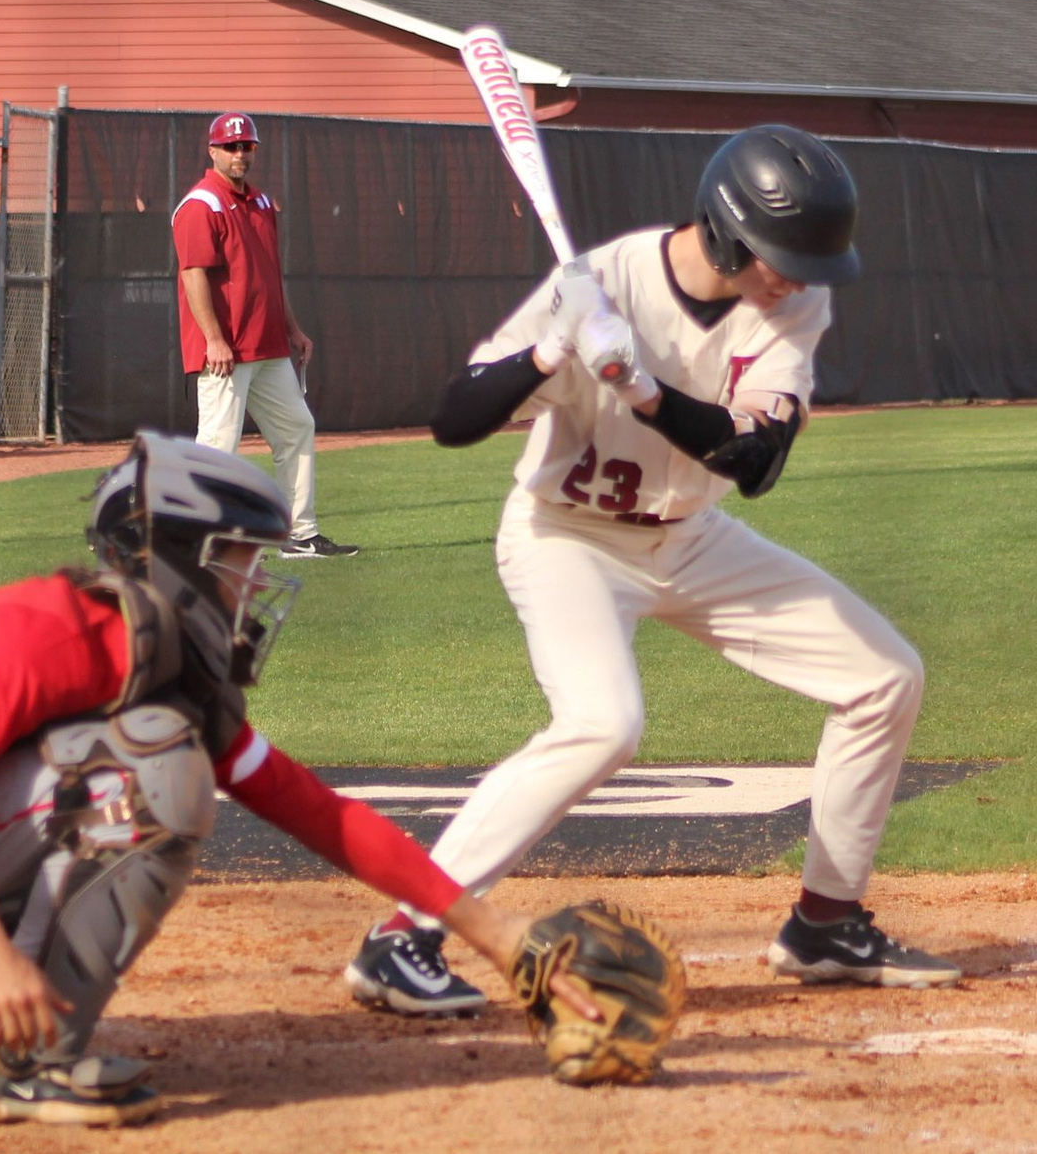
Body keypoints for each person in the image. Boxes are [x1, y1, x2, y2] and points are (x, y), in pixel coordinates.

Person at [0, 432, 594, 1126]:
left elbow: (316, 811)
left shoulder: (156, 662)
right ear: (178, 558)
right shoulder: (49, 631)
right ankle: (14, 1061)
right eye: (240, 560)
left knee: (127, 775)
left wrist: (496, 934)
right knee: (152, 771)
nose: (255, 583)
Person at [344, 124, 960, 1018]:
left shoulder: (792, 305)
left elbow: (756, 462)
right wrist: (549, 351)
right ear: (726, 231)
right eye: (782, 258)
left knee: (885, 676)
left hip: (691, 536)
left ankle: (825, 922)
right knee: (604, 724)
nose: (796, 279)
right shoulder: (602, 282)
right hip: (567, 537)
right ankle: (405, 930)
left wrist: (644, 392)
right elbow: (454, 418)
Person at [172, 110, 357, 560]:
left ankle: (300, 534)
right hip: (226, 349)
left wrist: (292, 328)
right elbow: (193, 275)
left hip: (267, 344)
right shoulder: (201, 204)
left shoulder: (259, 202)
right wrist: (214, 338)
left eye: (246, 146)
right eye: (230, 146)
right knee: (218, 445)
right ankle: (195, 541)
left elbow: (267, 276)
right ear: (213, 151)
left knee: (297, 429)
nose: (239, 153)